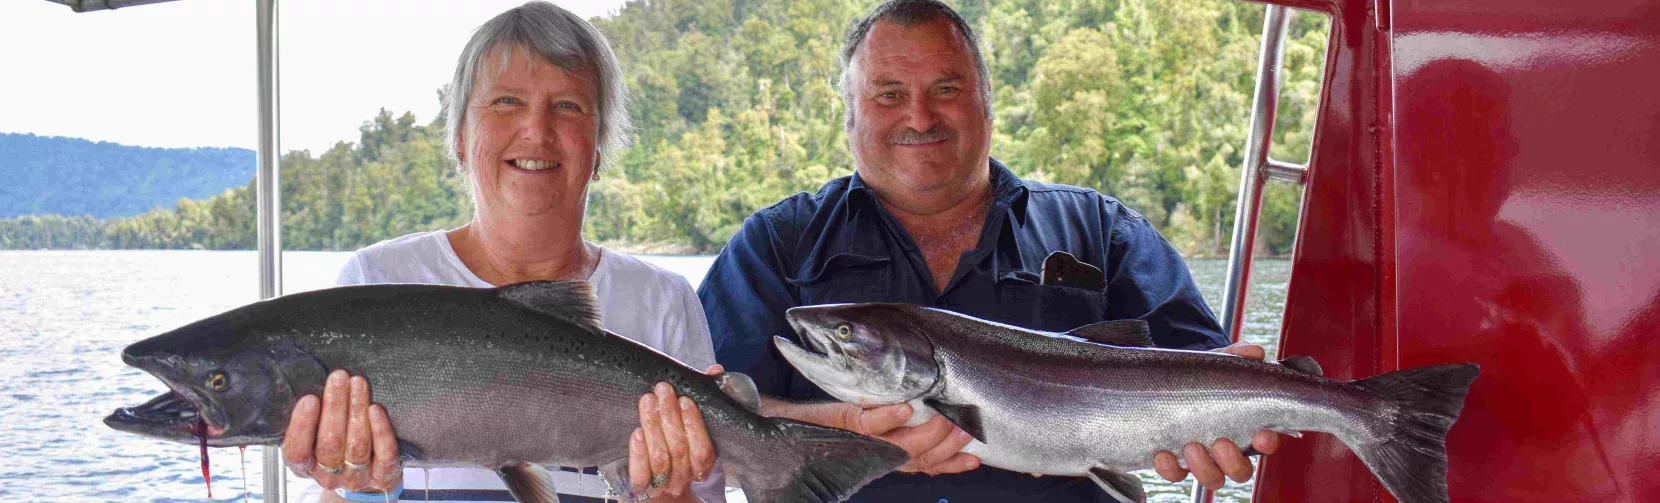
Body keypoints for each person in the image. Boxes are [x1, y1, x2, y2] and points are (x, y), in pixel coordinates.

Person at [698, 0, 1280, 501]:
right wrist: (844, 429)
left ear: (987, 100)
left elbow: (1212, 378)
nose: (919, 117)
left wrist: (1228, 434)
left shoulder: (1103, 231)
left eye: (946, 89)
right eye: (888, 94)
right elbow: (701, 415)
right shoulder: (775, 245)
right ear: (849, 114)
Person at [280, 3, 724, 502]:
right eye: (507, 101)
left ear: (599, 147)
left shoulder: (663, 300)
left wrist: (667, 494)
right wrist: (357, 489)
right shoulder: (376, 280)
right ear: (461, 138)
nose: (536, 129)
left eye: (568, 106)